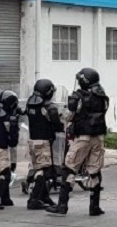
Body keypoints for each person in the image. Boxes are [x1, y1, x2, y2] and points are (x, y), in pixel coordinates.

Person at [46, 68, 108, 216]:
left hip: (82, 138)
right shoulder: (102, 96)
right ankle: (95, 206)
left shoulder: (78, 96)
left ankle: (62, 205)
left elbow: (68, 116)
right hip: (98, 138)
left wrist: (60, 116)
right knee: (95, 170)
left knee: (69, 168)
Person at [25, 79, 64, 210]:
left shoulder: (30, 103)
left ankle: (44, 196)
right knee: (43, 170)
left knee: (39, 167)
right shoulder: (48, 106)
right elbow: (57, 125)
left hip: (32, 140)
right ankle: (34, 199)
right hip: (43, 141)